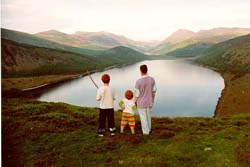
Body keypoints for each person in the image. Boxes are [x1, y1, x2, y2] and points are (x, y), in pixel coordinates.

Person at [135, 64, 156, 135]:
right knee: (148, 116)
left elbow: (137, 94)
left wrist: (134, 102)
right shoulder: (152, 79)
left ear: (140, 71)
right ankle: (149, 129)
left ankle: (146, 132)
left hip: (141, 102)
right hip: (149, 101)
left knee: (143, 117)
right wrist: (152, 99)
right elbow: (154, 91)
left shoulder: (138, 81)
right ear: (147, 70)